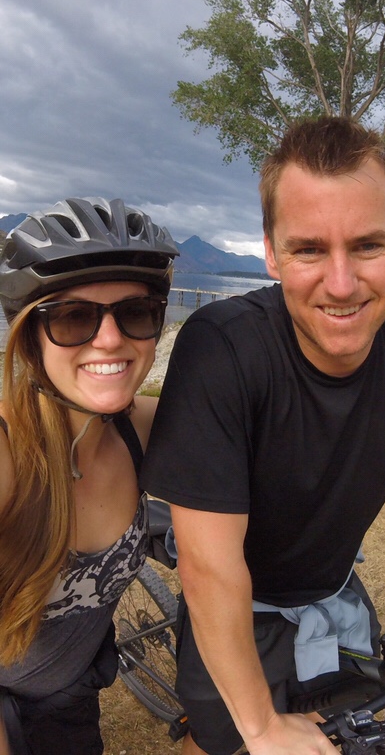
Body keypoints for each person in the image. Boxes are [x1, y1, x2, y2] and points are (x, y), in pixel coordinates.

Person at [142, 116, 385, 755]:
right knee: (224, 744)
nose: (343, 283)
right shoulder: (223, 349)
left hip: (329, 585)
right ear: (271, 252)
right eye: (309, 249)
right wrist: (262, 728)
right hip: (238, 595)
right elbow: (212, 571)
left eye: (368, 245)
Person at [0, 197, 178, 755]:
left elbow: (262, 417)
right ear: (30, 337)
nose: (109, 339)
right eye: (74, 317)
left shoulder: (140, 430)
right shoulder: (8, 456)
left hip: (73, 696)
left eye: (135, 312)